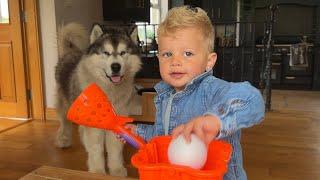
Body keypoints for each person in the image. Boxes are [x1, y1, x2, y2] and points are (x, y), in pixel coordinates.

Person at [125, 6, 265, 180]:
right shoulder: (165, 96)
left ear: (209, 61)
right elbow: (164, 137)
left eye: (187, 53)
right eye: (167, 54)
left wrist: (216, 120)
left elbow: (252, 100)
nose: (175, 61)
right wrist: (139, 131)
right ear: (158, 58)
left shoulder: (213, 90)